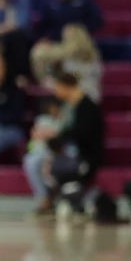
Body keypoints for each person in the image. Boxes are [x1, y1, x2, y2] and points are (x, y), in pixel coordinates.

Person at [28, 72, 105, 216]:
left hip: (83, 155)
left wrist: (57, 138)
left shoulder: (87, 107)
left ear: (65, 87)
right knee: (32, 161)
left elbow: (80, 136)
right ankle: (46, 200)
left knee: (47, 163)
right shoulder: (68, 107)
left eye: (57, 87)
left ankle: (65, 200)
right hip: (65, 150)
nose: (55, 92)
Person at [30, 0, 104, 74]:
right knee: (37, 53)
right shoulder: (50, 5)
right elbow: (40, 28)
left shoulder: (84, 1)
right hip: (58, 45)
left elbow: (98, 22)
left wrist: (77, 30)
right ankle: (49, 84)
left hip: (79, 45)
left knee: (73, 34)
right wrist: (43, 39)